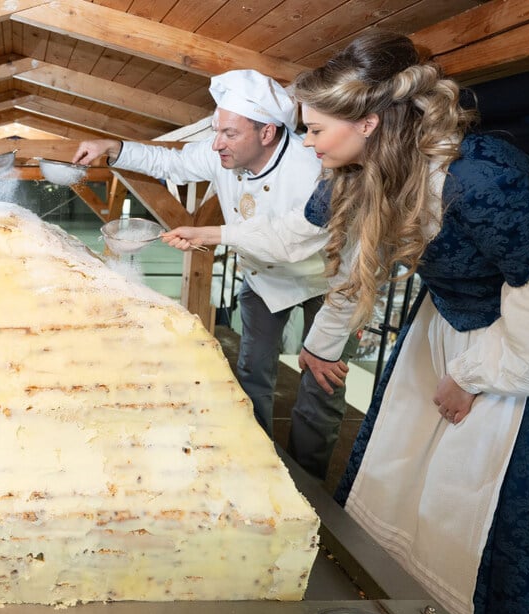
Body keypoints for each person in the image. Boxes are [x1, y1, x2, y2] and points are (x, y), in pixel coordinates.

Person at [293, 31, 529, 614]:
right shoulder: (365, 170)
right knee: (401, 474)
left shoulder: (481, 180)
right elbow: (358, 267)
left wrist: (468, 376)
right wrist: (319, 345)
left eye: (314, 130)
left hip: (517, 349)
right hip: (440, 329)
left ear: (371, 123)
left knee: (469, 499)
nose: (306, 144)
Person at [72, 69, 357, 481]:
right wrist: (113, 147)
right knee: (252, 374)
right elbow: (170, 161)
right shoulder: (221, 152)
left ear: (267, 134)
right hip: (263, 281)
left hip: (329, 282)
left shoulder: (314, 165)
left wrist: (210, 233)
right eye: (217, 131)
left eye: (230, 134)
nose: (217, 143)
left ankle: (307, 482)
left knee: (321, 385)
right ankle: (256, 467)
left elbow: (291, 239)